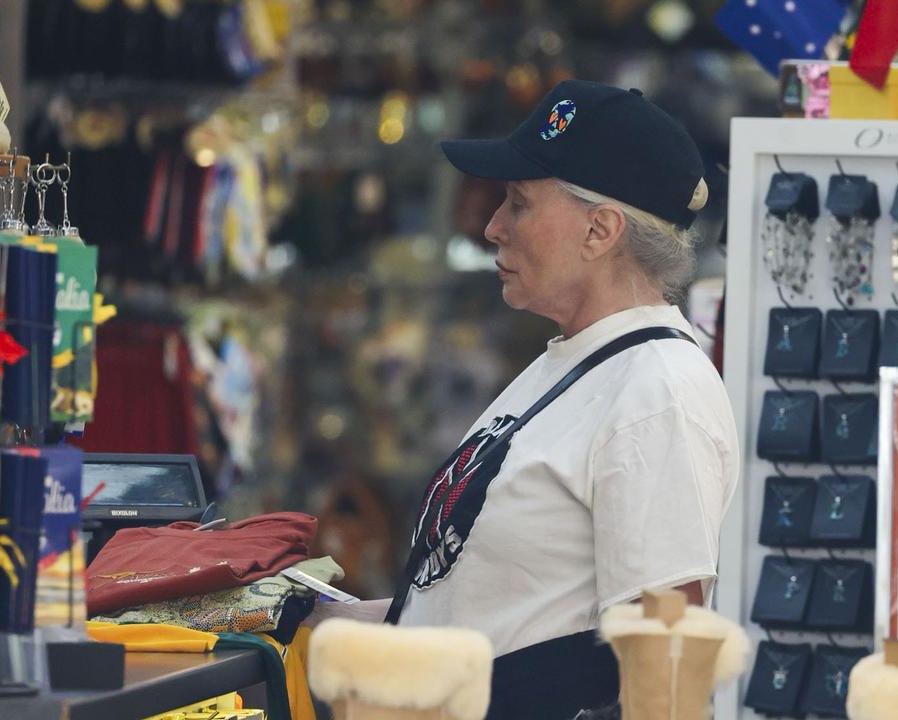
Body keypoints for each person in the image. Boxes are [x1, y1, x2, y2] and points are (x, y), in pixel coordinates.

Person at [307, 80, 740, 719]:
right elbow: (505, 620)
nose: (492, 226)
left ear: (600, 229)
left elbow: (666, 679)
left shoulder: (656, 393)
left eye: (518, 203)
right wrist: (310, 615)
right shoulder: (580, 362)